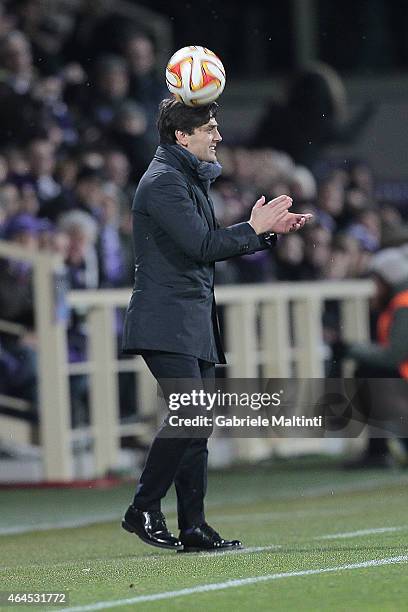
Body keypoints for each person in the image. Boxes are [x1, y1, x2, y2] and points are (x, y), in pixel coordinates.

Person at [121, 98, 312, 552]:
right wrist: (252, 226)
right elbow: (201, 245)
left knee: (199, 423)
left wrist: (266, 232)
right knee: (191, 414)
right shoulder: (164, 181)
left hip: (190, 321)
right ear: (182, 137)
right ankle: (143, 508)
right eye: (209, 128)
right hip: (165, 320)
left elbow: (203, 244)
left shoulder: (182, 177)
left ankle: (193, 525)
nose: (218, 136)